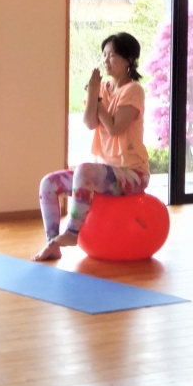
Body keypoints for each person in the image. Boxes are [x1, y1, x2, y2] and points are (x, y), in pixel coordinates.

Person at [33, 32, 150, 261]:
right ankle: (53, 243)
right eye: (104, 55)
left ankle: (72, 233)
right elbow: (89, 123)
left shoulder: (133, 90)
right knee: (48, 183)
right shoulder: (102, 88)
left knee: (84, 170)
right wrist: (95, 93)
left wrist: (97, 100)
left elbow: (115, 128)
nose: (106, 60)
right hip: (104, 171)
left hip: (133, 173)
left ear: (128, 59)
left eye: (112, 55)